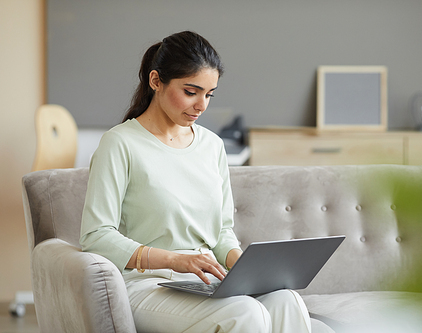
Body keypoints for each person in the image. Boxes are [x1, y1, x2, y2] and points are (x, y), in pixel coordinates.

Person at [79, 31, 312, 333]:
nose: (202, 105)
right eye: (191, 92)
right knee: (244, 315)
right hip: (150, 285)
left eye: (209, 94)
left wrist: (242, 265)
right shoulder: (120, 143)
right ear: (155, 81)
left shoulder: (212, 146)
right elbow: (96, 236)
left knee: (286, 300)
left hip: (206, 281)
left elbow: (222, 232)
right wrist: (175, 260)